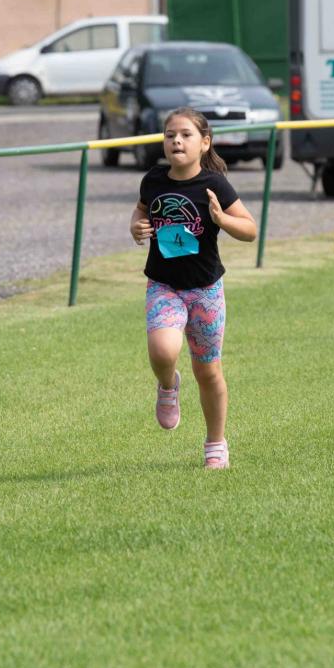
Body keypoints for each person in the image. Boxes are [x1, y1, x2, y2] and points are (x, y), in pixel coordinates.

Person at [128, 108, 257, 470]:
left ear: (205, 143)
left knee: (208, 372)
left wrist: (222, 219)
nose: (177, 141)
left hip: (205, 290)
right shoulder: (153, 180)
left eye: (185, 135)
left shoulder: (215, 185)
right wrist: (136, 226)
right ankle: (168, 385)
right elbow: (140, 211)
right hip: (164, 286)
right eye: (170, 135)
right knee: (162, 350)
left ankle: (216, 443)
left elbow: (250, 230)